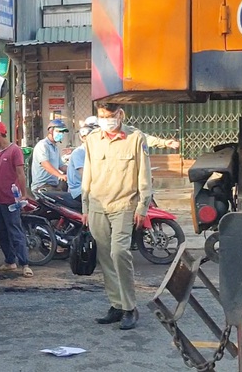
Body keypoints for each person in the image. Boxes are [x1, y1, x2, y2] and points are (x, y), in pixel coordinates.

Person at [81, 102, 152, 330]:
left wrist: (143, 206)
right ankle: (117, 305)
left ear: (120, 114)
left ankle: (130, 307)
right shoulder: (92, 140)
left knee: (119, 252)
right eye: (102, 115)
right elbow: (88, 174)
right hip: (97, 206)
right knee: (105, 258)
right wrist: (84, 208)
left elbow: (144, 175)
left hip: (124, 205)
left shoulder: (135, 138)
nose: (106, 119)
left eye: (110, 115)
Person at [0, 121, 32, 277]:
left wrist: (23, 194)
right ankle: (10, 261)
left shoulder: (15, 151)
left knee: (15, 231)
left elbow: (20, 173)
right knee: (1, 232)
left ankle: (24, 264)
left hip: (11, 199)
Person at [31, 119, 69, 194]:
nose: (61, 134)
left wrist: (74, 172)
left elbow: (61, 166)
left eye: (63, 132)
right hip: (42, 186)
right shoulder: (42, 145)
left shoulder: (55, 147)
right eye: (59, 131)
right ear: (51, 131)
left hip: (53, 185)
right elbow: (45, 164)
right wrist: (60, 175)